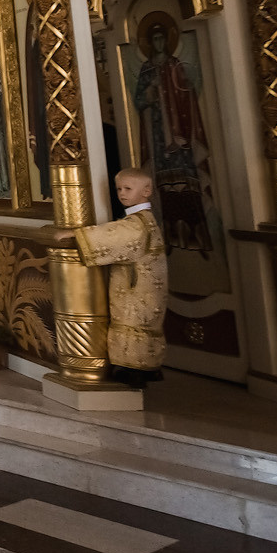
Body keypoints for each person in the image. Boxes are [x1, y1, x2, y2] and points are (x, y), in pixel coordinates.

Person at [73, 167, 169, 390]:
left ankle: (135, 371)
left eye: (128, 188)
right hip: (139, 285)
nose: (122, 193)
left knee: (135, 322)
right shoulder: (138, 219)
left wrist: (76, 234)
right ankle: (138, 368)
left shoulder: (139, 223)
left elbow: (116, 234)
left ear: (147, 191)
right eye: (119, 189)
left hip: (139, 289)